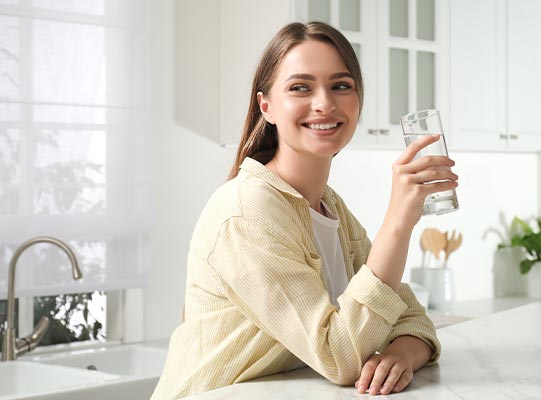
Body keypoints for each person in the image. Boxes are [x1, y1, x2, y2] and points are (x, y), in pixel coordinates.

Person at [151, 21, 458, 399]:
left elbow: (411, 318)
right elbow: (338, 356)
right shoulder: (247, 211)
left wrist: (400, 354)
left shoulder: (330, 207)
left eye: (341, 86)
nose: (325, 103)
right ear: (267, 106)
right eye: (300, 87)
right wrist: (399, 220)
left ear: (358, 101)